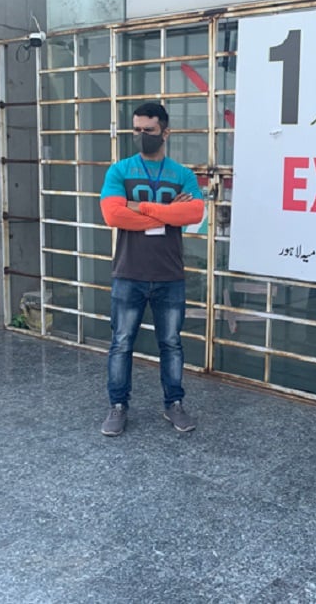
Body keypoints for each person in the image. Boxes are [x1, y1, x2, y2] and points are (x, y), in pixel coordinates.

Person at [99, 102, 204, 436]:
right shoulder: (119, 171)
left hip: (169, 275)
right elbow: (113, 216)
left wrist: (140, 207)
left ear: (165, 132)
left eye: (149, 130)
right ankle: (117, 407)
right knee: (121, 343)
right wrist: (166, 211)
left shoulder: (182, 174)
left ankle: (174, 405)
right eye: (137, 130)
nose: (141, 136)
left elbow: (194, 214)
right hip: (129, 272)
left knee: (171, 344)